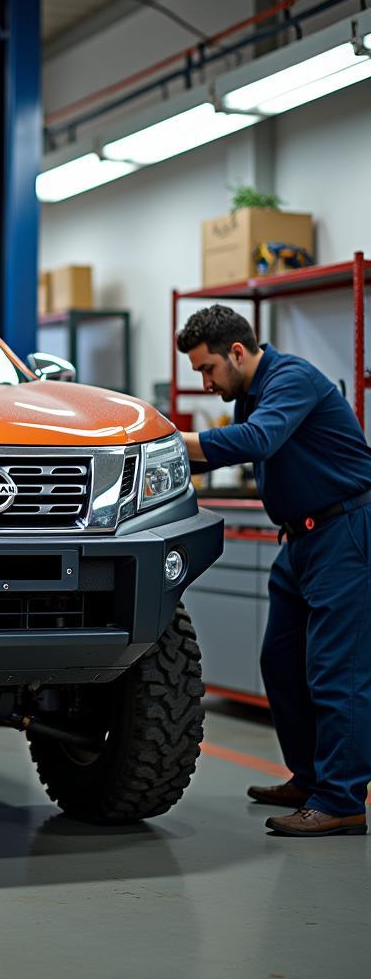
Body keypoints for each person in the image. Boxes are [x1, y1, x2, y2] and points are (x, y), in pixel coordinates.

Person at [177, 304, 371, 837]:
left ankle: (341, 800)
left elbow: (258, 442)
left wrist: (168, 441)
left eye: (207, 369)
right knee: (281, 662)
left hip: (344, 532)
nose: (205, 381)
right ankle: (309, 777)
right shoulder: (251, 393)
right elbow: (236, 450)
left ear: (237, 352)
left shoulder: (292, 379)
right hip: (302, 539)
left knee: (339, 672)